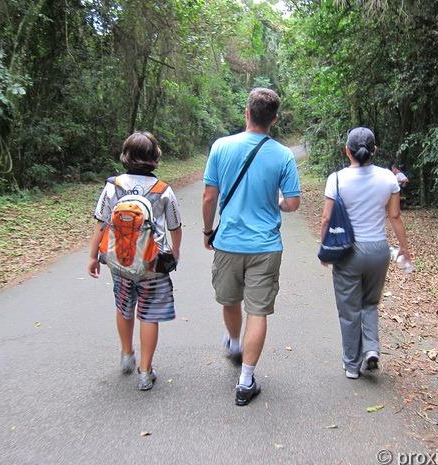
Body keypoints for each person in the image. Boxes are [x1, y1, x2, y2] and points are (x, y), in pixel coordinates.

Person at [202, 88, 301, 406]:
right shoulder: (283, 155)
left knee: (230, 301)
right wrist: (278, 204)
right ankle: (246, 381)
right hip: (266, 245)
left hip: (228, 242)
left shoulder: (221, 147)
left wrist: (208, 231)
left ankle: (233, 342)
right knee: (257, 311)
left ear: (246, 112)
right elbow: (293, 203)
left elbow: (209, 196)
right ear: (273, 119)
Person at [87, 131, 182, 391]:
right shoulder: (163, 190)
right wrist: (175, 253)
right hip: (152, 263)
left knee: (123, 306)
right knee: (149, 315)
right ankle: (145, 371)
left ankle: (127, 354)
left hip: (120, 261)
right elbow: (175, 226)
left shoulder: (113, 185)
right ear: (155, 157)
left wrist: (93, 256)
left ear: (126, 156)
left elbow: (101, 223)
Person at [321, 127, 412, 379]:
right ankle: (371, 349)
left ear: (347, 151)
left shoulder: (336, 179)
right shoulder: (388, 178)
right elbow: (394, 216)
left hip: (348, 252)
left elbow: (326, 218)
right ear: (374, 150)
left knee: (349, 310)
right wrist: (403, 248)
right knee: (369, 303)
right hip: (379, 251)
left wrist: (325, 250)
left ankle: (352, 365)